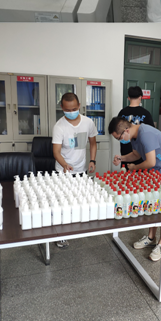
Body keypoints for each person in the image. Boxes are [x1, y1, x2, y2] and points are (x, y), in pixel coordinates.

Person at [110, 117, 161, 262]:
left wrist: (134, 168)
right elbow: (136, 154)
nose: (121, 141)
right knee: (153, 207)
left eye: (119, 138)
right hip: (156, 174)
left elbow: (151, 161)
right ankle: (151, 237)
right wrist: (122, 158)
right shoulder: (135, 136)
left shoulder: (146, 134)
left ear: (126, 131)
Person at [52, 92, 98, 248]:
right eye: (67, 110)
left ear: (79, 106)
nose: (71, 112)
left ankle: (77, 230)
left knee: (79, 201)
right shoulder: (59, 126)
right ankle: (61, 235)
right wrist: (65, 164)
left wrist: (92, 160)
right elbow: (56, 152)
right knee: (62, 203)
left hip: (81, 169)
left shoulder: (88, 123)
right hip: (63, 171)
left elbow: (93, 143)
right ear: (62, 107)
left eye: (73, 109)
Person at [117, 86, 155, 166]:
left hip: (125, 150)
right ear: (140, 97)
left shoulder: (122, 113)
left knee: (125, 172)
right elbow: (151, 133)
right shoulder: (146, 113)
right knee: (141, 173)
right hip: (141, 151)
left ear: (128, 98)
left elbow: (118, 131)